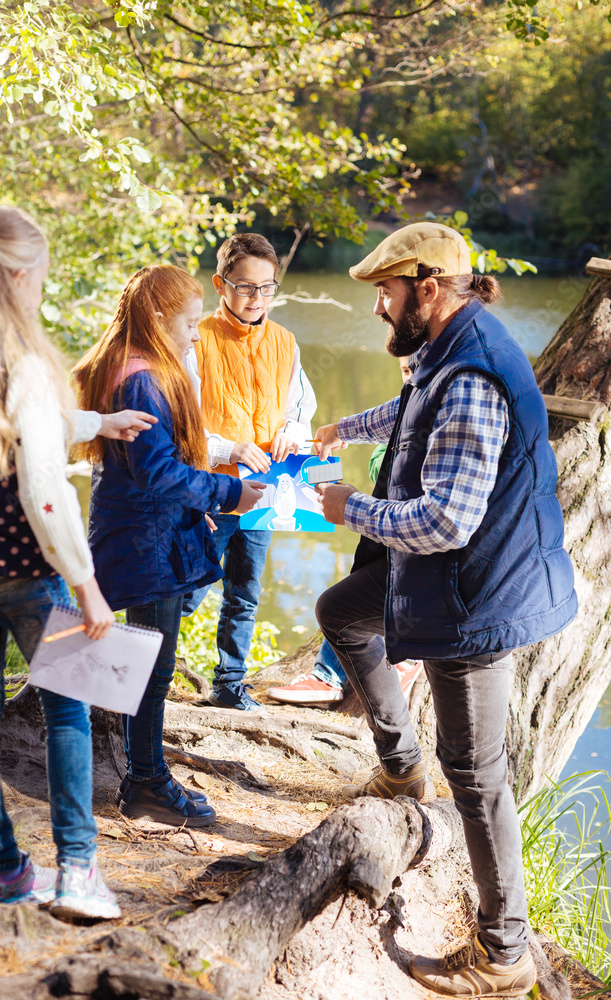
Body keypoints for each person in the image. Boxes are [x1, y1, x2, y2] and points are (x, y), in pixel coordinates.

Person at [313, 222, 577, 997]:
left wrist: (349, 506)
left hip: (475, 593)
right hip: (453, 575)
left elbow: (443, 523)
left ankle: (504, 952)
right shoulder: (453, 344)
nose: (375, 309)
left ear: (426, 289)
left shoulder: (469, 375)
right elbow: (412, 411)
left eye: (384, 293)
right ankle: (400, 769)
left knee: (477, 772)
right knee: (340, 611)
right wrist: (342, 427)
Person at [0, 203, 156, 920]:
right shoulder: (25, 362)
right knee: (70, 712)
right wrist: (86, 584)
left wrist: (97, 423)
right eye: (38, 272)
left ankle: (0, 868)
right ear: (17, 274)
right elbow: (42, 489)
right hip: (26, 573)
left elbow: (22, 430)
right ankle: (77, 870)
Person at [72, 264, 265, 826]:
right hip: (144, 540)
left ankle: (133, 772)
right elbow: (158, 472)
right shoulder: (141, 378)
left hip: (140, 531)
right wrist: (228, 492)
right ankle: (147, 785)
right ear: (158, 318)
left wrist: (196, 509)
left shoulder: (134, 363)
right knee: (152, 669)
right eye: (188, 322)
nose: (196, 334)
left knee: (134, 659)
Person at [181, 232, 317, 711]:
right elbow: (182, 423)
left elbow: (302, 406)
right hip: (213, 488)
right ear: (221, 284)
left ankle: (229, 686)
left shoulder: (285, 341)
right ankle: (141, 672)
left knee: (245, 591)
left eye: (267, 287)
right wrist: (230, 446)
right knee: (189, 587)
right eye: (245, 287)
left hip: (266, 491)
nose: (257, 298)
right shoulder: (197, 338)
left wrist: (293, 432)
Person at [266, 356, 422, 706]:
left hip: (428, 538)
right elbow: (385, 447)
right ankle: (329, 676)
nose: (411, 377)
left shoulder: (457, 395)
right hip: (389, 521)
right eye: (405, 370)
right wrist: (345, 429)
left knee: (393, 587)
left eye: (416, 368)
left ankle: (407, 658)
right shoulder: (414, 400)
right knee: (355, 587)